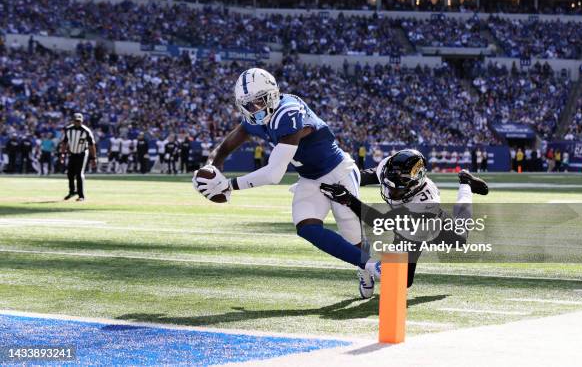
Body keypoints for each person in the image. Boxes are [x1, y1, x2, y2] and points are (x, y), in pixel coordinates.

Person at [192, 68, 380, 298]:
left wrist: (229, 185)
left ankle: (366, 265)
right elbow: (236, 137)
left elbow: (274, 174)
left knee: (353, 237)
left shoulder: (288, 112)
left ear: (272, 94)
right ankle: (370, 265)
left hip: (339, 172)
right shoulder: (258, 117)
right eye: (249, 105)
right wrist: (214, 163)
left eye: (260, 101)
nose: (256, 109)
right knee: (306, 227)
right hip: (310, 177)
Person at [320, 149, 489, 291]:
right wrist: (336, 180)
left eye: (398, 190)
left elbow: (379, 222)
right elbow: (365, 176)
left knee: (461, 238)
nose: (392, 193)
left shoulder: (426, 202)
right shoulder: (389, 168)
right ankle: (364, 266)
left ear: (416, 184)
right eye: (389, 186)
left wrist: (349, 199)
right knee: (401, 281)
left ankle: (465, 183)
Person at [60, 113, 97, 201]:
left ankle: (81, 195)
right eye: (76, 121)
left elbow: (92, 145)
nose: (78, 123)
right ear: (73, 121)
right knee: (70, 174)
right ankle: (72, 191)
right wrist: (62, 154)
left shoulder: (86, 131)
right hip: (72, 153)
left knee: (79, 174)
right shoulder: (68, 130)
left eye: (79, 121)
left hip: (82, 153)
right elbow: (64, 143)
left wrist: (93, 158)